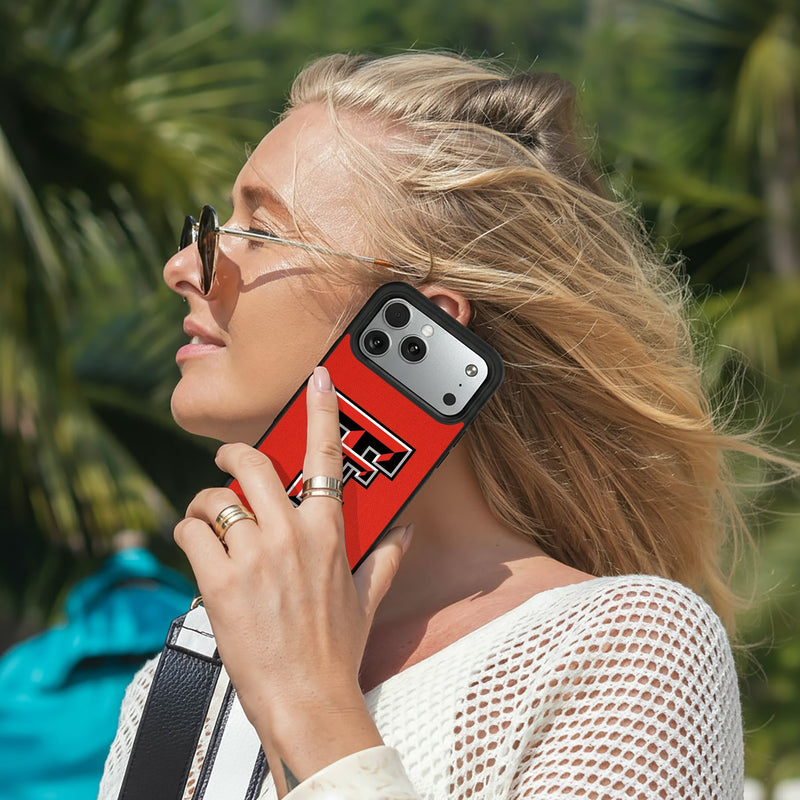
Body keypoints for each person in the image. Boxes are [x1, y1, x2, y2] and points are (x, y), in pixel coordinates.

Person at [98, 51, 769, 799]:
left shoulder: (626, 650)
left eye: (261, 233)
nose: (183, 265)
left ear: (426, 330)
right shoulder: (185, 677)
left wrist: (310, 708)